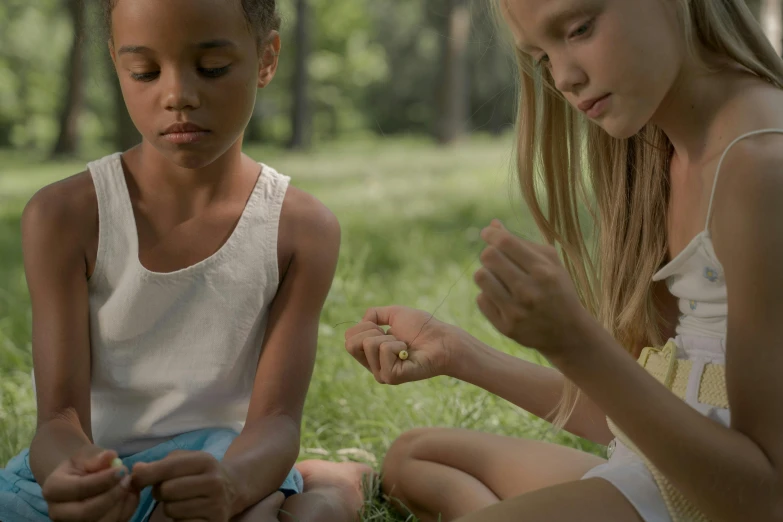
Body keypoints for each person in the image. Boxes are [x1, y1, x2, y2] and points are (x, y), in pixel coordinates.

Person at [345, 0, 783, 520]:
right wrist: (459, 353)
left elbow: (765, 499)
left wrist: (575, 343)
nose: (564, 78)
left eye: (578, 29)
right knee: (414, 456)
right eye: (540, 56)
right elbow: (638, 411)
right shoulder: (665, 152)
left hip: (715, 499)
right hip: (662, 469)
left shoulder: (759, 168)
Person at [0, 0, 371, 521]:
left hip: (226, 465)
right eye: (144, 72)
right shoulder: (64, 216)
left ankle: (336, 487)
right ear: (116, 64)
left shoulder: (301, 230)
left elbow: (277, 420)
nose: (178, 96)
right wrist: (77, 476)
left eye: (213, 68)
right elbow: (58, 418)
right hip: (89, 470)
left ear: (266, 59)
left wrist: (232, 485)